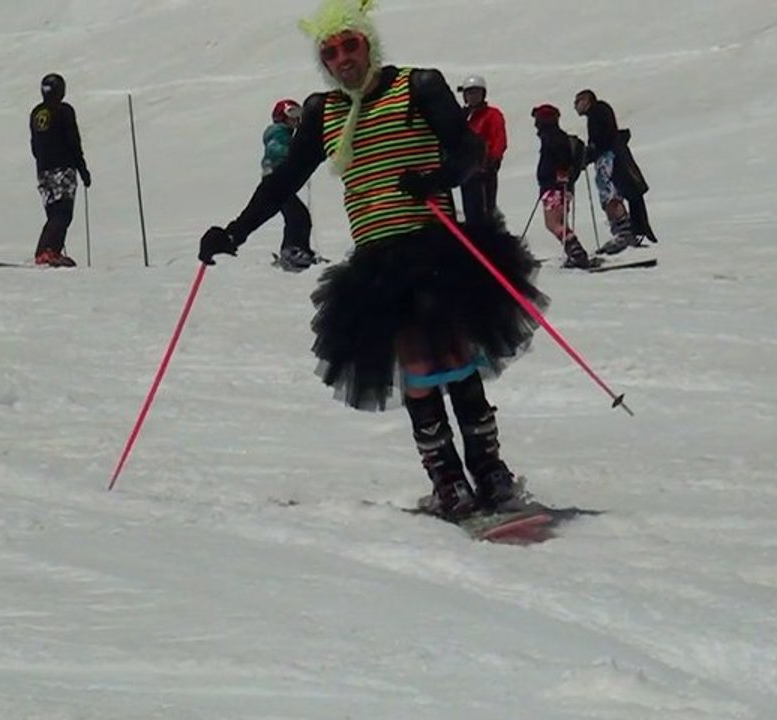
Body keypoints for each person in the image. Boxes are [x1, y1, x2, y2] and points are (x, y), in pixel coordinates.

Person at [197, 0, 548, 520]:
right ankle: (448, 480)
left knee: (456, 360)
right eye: (331, 52)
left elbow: (469, 152)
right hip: (378, 262)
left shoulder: (418, 85)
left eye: (350, 45)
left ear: (369, 45)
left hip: (436, 247)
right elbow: (285, 180)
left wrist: (435, 180)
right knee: (418, 369)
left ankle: (491, 474)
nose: (343, 59)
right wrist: (235, 231)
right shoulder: (323, 112)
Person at [574, 88, 656, 255]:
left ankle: (624, 233)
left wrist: (589, 153)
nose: (575, 106)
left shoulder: (597, 112)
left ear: (587, 100)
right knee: (615, 194)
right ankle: (630, 230)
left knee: (610, 195)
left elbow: (601, 140)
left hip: (609, 159)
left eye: (578, 102)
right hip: (612, 156)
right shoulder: (600, 112)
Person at [29, 72, 90, 267]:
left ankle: (46, 250)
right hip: (62, 168)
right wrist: (83, 169)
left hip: (43, 171)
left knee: (54, 212)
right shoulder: (64, 111)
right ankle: (48, 251)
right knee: (63, 213)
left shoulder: (36, 113)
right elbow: (73, 141)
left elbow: (34, 146)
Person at [532, 103, 596, 269]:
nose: (535, 124)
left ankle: (576, 252)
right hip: (560, 186)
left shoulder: (552, 138)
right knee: (559, 222)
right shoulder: (556, 136)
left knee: (552, 223)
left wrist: (559, 178)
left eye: (538, 120)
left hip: (554, 187)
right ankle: (574, 251)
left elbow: (561, 160)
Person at [263, 98, 318, 271]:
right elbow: (274, 149)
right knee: (297, 216)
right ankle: (291, 251)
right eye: (291, 114)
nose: (296, 119)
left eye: (298, 115)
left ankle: (301, 250)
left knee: (299, 215)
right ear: (281, 117)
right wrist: (295, 153)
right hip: (275, 183)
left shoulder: (287, 134)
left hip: (279, 182)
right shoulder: (277, 132)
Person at [456, 75, 507, 227]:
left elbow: (499, 138)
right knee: (470, 210)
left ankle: (489, 238)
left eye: (476, 93)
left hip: (484, 170)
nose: (473, 97)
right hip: (466, 171)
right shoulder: (462, 117)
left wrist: (493, 159)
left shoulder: (492, 115)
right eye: (470, 93)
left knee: (485, 210)